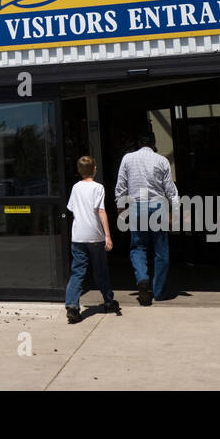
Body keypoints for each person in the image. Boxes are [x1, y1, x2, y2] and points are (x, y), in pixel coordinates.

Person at [115, 129, 179, 306]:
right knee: (161, 251)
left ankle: (142, 278)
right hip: (158, 206)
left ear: (138, 143)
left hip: (137, 206)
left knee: (138, 247)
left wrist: (121, 208)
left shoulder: (127, 159)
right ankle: (159, 292)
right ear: (154, 143)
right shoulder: (162, 160)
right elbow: (170, 190)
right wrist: (176, 211)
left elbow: (121, 185)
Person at [65, 155, 117, 323]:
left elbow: (72, 209)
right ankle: (109, 301)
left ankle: (72, 306)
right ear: (95, 169)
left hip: (78, 236)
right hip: (95, 235)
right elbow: (101, 211)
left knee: (77, 271)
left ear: (79, 171)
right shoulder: (98, 188)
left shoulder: (75, 188)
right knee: (100, 269)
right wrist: (108, 235)